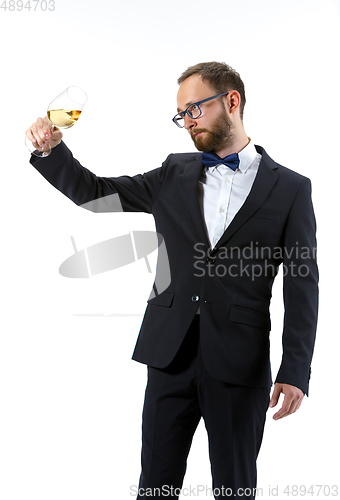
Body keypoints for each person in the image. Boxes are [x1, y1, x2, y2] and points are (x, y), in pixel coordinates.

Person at [25, 62, 318, 499]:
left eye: (194, 108)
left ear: (232, 101)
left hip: (240, 364)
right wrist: (52, 151)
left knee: (235, 490)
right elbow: (97, 195)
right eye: (182, 114)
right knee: (156, 488)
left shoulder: (291, 188)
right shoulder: (173, 173)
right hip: (169, 355)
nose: (188, 121)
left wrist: (295, 370)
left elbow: (302, 284)